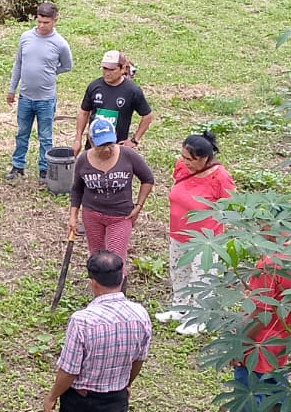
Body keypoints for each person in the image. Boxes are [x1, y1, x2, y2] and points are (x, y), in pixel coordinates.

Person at [38, 251, 152, 412]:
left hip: (82, 400)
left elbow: (69, 370)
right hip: (116, 397)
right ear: (122, 277)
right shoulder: (140, 314)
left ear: (92, 282)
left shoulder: (83, 320)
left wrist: (52, 396)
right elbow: (138, 359)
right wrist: (126, 383)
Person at [212, 255, 291, 412]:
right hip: (286, 338)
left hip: (258, 343)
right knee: (277, 389)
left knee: (250, 394)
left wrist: (240, 344)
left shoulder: (269, 265)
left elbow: (261, 312)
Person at [164, 130, 235, 334]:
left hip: (205, 239)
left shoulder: (220, 177)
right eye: (183, 157)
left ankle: (200, 317)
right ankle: (180, 307)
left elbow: (230, 206)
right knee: (178, 270)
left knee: (202, 276)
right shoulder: (182, 167)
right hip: (179, 232)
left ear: (204, 158)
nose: (184, 162)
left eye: (190, 159)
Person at [67, 119, 155, 270]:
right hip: (92, 215)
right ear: (91, 141)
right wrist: (73, 216)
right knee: (97, 258)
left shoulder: (128, 155)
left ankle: (118, 284)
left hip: (120, 216)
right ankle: (98, 284)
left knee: (115, 261)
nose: (107, 149)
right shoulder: (83, 160)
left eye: (110, 144)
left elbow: (147, 179)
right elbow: (77, 189)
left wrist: (139, 205)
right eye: (101, 145)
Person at [5, 1, 72, 180]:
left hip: (46, 99)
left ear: (55, 20)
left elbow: (67, 66)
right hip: (25, 96)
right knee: (22, 133)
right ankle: (18, 166)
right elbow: (18, 63)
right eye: (39, 21)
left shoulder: (60, 44)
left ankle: (44, 169)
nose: (42, 26)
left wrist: (50, 71)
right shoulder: (26, 37)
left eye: (46, 23)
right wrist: (12, 89)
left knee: (45, 136)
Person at [74, 50, 153, 152]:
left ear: (122, 68)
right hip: (93, 147)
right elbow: (84, 112)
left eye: (112, 69)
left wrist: (134, 140)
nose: (107, 73)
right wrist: (78, 138)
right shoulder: (94, 87)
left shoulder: (132, 91)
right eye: (104, 68)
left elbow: (147, 116)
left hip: (118, 148)